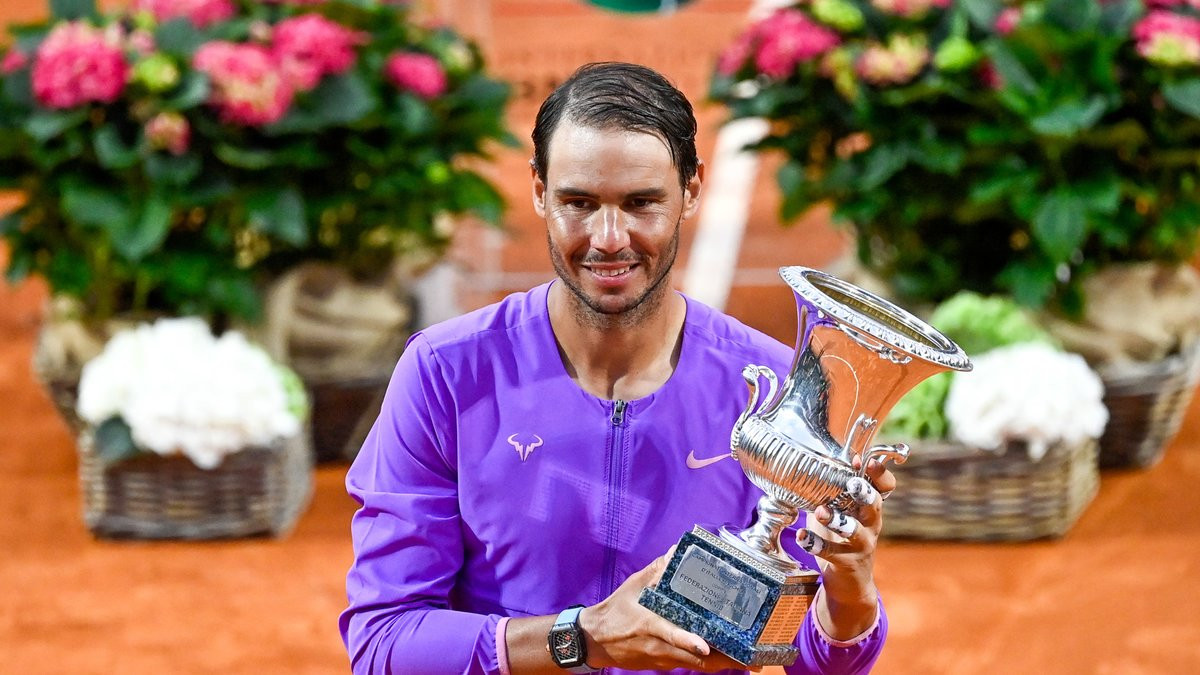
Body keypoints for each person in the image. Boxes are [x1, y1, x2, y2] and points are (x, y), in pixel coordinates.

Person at [340, 62, 894, 674]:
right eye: (579, 203)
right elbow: (384, 645)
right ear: (538, 191)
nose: (609, 238)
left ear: (691, 190)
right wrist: (582, 638)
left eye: (641, 203)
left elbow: (811, 660)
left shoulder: (773, 391)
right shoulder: (446, 373)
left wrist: (848, 588)